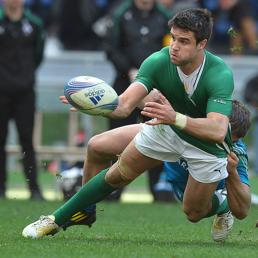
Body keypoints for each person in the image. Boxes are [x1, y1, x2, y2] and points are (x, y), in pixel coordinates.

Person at [22, 8, 235, 239]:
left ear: (201, 44)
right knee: (115, 174)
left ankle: (222, 204)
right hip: (166, 128)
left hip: (203, 143)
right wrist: (93, 105)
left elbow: (217, 130)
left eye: (184, 41)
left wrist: (174, 117)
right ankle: (57, 219)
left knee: (193, 212)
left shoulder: (219, 73)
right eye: (173, 38)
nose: (174, 46)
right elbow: (123, 106)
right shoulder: (157, 61)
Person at [104, 0, 172, 201]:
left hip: (156, 86)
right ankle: (113, 189)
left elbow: (170, 48)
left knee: (157, 133)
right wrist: (128, 70)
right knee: (117, 137)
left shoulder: (163, 16)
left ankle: (158, 189)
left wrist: (153, 75)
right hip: (124, 81)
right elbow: (110, 47)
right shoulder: (120, 14)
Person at [162, 99, 251, 241]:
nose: (225, 144)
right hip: (179, 183)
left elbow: (242, 210)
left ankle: (223, 204)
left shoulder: (236, 151)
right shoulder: (187, 124)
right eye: (223, 137)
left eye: (231, 141)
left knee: (194, 214)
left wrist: (232, 172)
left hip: (210, 188)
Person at [0, 0, 45, 199]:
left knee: (27, 141)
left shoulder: (34, 23)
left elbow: (38, 55)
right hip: (1, 91)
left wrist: (25, 77)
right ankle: (1, 188)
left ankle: (33, 188)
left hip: (25, 92)